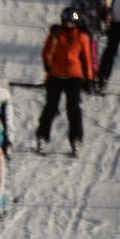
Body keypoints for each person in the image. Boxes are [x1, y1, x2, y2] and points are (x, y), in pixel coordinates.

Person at [37, 8, 96, 156]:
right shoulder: (56, 34)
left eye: (72, 22)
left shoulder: (82, 36)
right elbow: (47, 51)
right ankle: (42, 137)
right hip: (56, 76)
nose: (69, 25)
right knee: (50, 107)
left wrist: (89, 78)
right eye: (67, 22)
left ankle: (76, 139)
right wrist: (47, 64)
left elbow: (87, 59)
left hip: (74, 77)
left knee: (74, 109)